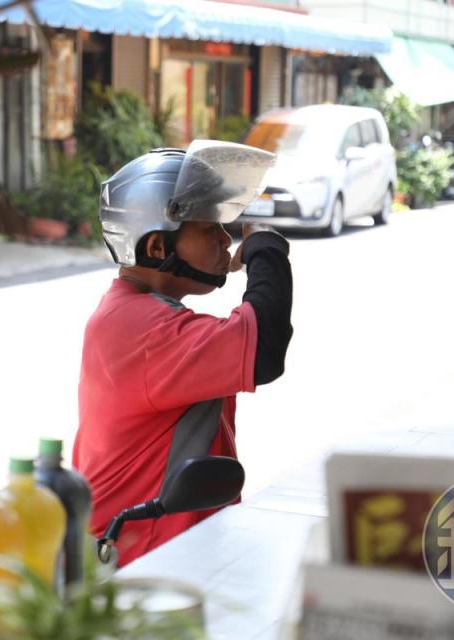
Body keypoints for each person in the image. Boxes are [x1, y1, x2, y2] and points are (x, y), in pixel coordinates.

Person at [73, 145, 293, 567]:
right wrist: (266, 250)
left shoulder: (132, 313)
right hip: (144, 552)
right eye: (209, 228)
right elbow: (264, 348)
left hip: (158, 542)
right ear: (158, 247)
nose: (224, 240)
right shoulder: (142, 329)